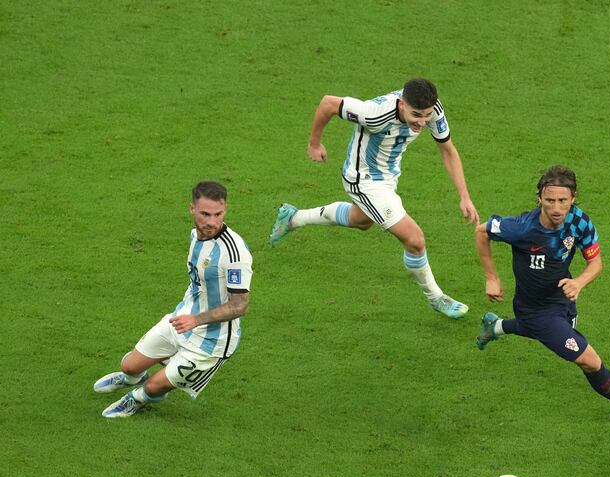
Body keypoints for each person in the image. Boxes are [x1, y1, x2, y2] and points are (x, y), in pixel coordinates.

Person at [474, 165, 610, 432]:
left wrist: (579, 282)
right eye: (550, 200)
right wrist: (491, 277)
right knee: (589, 360)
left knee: (549, 332)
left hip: (562, 298)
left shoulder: (580, 221)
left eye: (563, 201)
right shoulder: (521, 228)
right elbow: (482, 232)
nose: (556, 207)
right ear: (539, 198)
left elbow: (595, 262)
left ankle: (495, 327)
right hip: (534, 309)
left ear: (573, 198)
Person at [268, 78, 479, 318]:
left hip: (389, 176)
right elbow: (328, 104)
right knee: (415, 239)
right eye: (416, 115)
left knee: (361, 220)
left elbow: (447, 150)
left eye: (426, 116)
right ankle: (436, 297)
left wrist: (464, 196)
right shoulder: (374, 114)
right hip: (363, 179)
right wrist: (314, 143)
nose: (422, 122)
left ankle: (294, 218)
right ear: (401, 105)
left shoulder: (433, 110)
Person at [93, 181, 253, 418]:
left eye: (218, 214)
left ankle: (136, 399)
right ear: (192, 209)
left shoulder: (234, 253)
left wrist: (196, 320)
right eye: (205, 214)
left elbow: (240, 305)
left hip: (211, 342)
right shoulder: (195, 235)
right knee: (129, 365)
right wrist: (189, 318)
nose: (211, 221)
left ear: (225, 210)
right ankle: (131, 378)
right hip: (182, 319)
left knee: (153, 388)